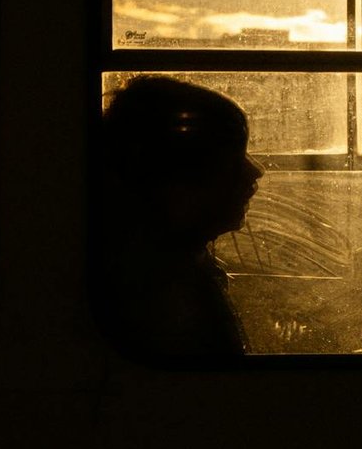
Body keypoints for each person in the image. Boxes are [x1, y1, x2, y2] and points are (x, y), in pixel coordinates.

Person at [99, 75, 262, 360]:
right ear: (175, 181)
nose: (255, 172)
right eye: (231, 161)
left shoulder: (169, 267)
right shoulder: (159, 295)